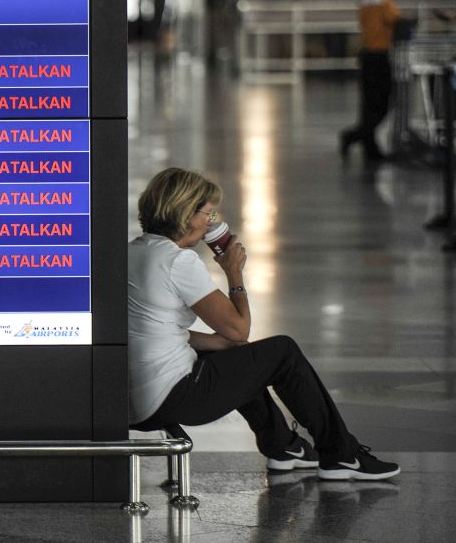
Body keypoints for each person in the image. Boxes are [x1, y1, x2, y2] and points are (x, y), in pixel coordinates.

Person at [127, 167, 400, 480]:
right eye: (208, 213)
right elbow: (239, 329)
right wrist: (233, 273)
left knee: (238, 357)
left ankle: (284, 447)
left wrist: (214, 343)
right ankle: (341, 454)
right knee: (282, 351)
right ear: (186, 213)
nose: (211, 223)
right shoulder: (178, 261)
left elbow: (146, 327)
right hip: (173, 398)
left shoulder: (131, 253)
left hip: (133, 401)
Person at [340, 0, 403, 162]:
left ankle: (371, 150)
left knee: (368, 105)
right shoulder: (383, 0)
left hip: (366, 55)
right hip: (378, 56)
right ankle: (352, 136)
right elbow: (398, 22)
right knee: (382, 105)